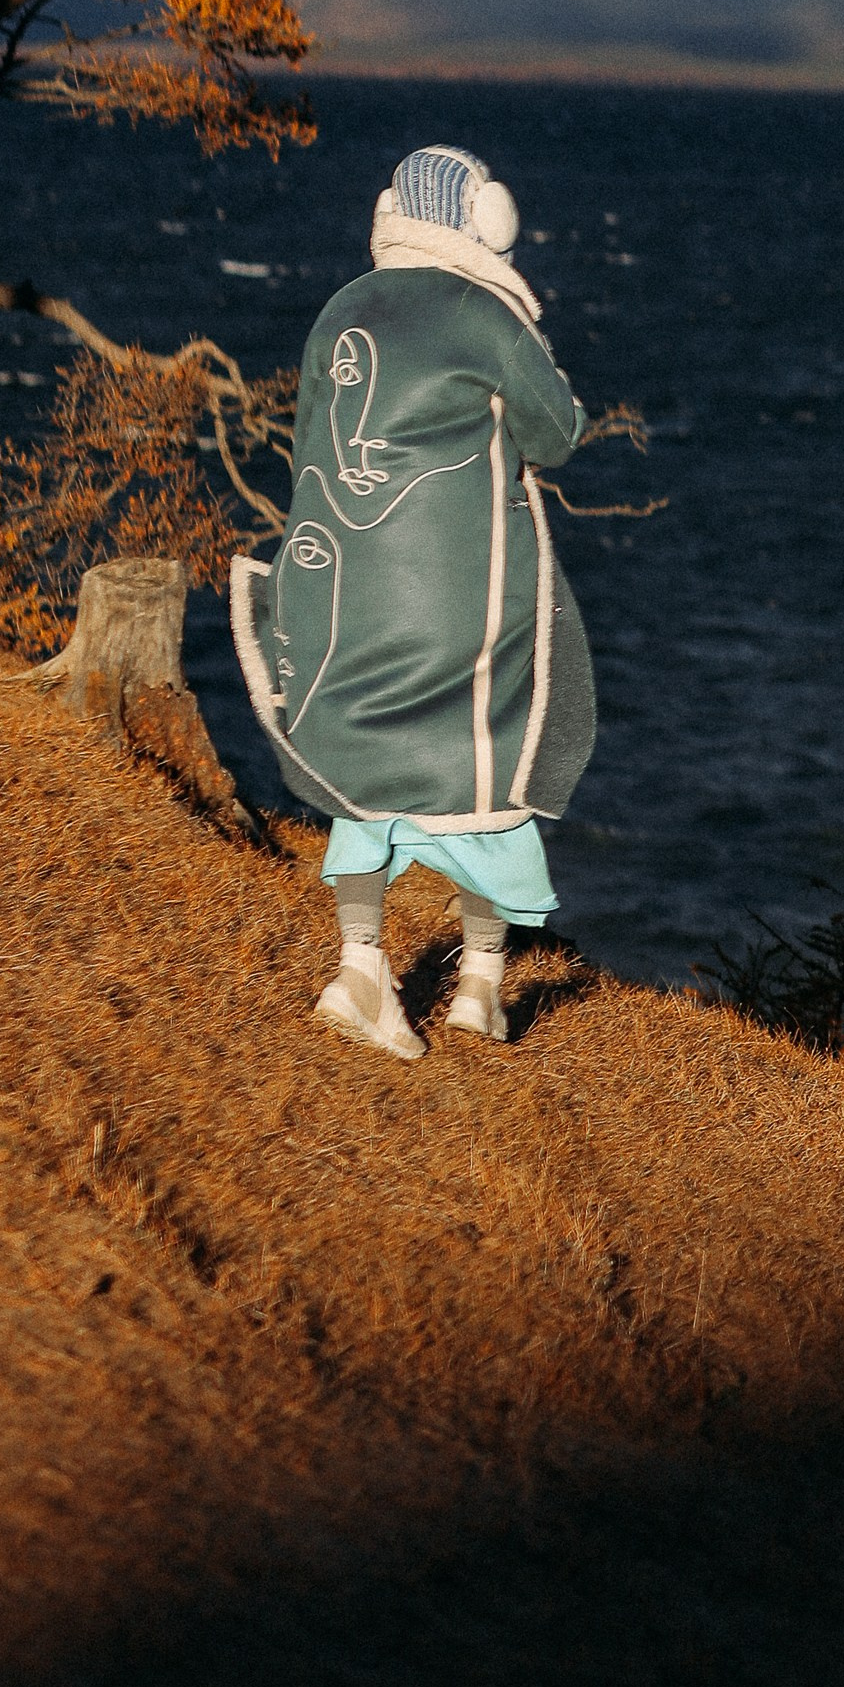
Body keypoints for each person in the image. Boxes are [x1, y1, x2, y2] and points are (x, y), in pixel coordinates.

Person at [230, 143, 595, 1061]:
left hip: (346, 583)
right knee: (487, 769)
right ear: (486, 220)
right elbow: (557, 433)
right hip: (463, 600)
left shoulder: (341, 307)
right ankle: (478, 985)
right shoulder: (489, 314)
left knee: (369, 760)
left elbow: (312, 434)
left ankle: (360, 967)